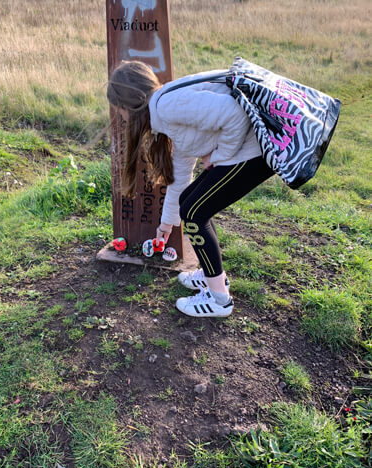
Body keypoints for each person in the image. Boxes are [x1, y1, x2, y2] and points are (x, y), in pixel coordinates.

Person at [107, 60, 274, 317]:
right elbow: (180, 177)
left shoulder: (168, 106)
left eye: (120, 110)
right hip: (246, 148)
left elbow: (235, 114)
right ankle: (213, 276)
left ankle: (219, 300)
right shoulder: (166, 113)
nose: (121, 117)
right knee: (191, 202)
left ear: (132, 104)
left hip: (256, 150)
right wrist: (166, 225)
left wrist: (218, 156)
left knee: (194, 213)